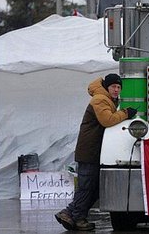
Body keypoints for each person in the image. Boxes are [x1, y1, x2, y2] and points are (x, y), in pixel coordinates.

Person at [55, 74, 137, 231]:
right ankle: (73, 214)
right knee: (87, 186)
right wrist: (125, 113)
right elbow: (107, 120)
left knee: (93, 187)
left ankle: (73, 214)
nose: (116, 90)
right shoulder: (100, 99)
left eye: (119, 87)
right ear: (107, 87)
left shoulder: (107, 99)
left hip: (94, 150)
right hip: (89, 150)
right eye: (113, 86)